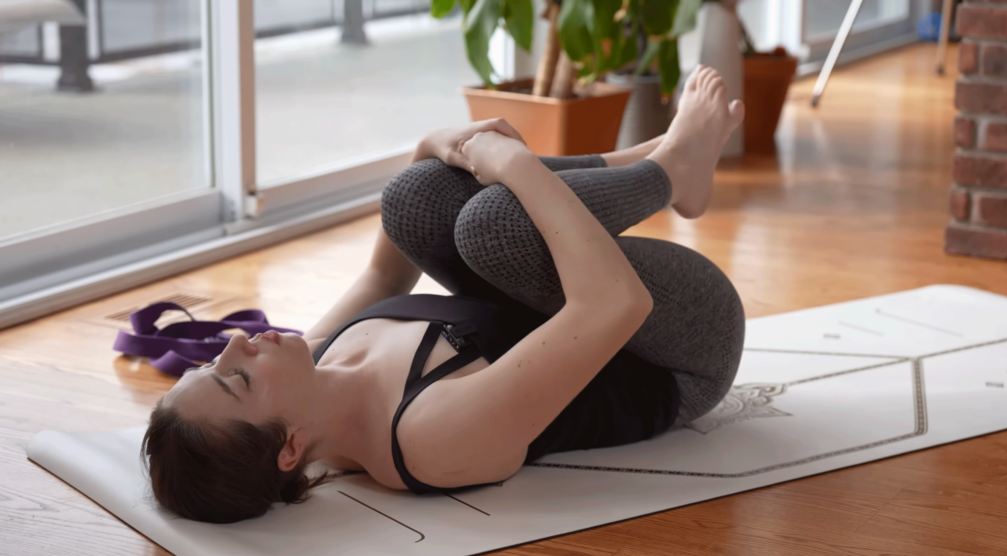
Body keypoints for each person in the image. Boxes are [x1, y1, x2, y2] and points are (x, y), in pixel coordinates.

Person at [142, 65, 747, 523]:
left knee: (417, 196)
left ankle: (657, 158)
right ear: (292, 445)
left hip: (576, 306)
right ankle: (669, 172)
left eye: (212, 362)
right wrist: (513, 164)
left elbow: (384, 276)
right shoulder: (430, 438)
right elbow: (616, 305)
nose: (239, 343)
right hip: (674, 352)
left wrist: (433, 146)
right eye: (236, 379)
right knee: (495, 227)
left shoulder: (318, 363)